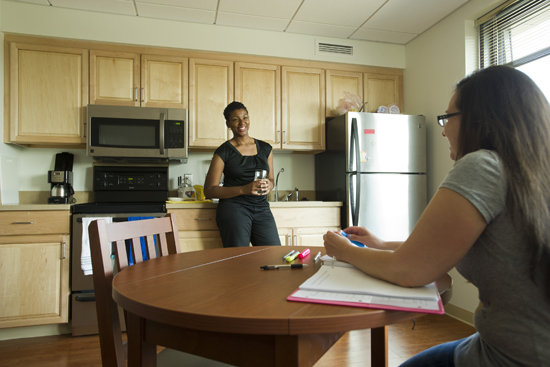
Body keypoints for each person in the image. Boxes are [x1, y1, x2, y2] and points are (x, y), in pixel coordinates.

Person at [323, 65, 550, 367]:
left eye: (447, 118)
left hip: (513, 357)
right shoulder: (533, 171)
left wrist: (347, 252)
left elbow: (409, 271)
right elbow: (436, 249)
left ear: (478, 119)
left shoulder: (482, 166)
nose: (442, 129)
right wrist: (379, 243)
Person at [204, 101, 280, 247]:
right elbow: (209, 190)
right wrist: (244, 189)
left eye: (245, 117)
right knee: (238, 259)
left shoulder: (266, 149)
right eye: (235, 119)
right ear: (228, 124)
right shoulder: (223, 152)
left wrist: (269, 184)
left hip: (262, 208)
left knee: (272, 253)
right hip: (234, 208)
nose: (242, 122)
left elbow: (271, 179)